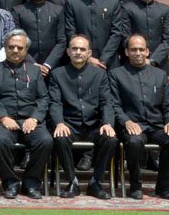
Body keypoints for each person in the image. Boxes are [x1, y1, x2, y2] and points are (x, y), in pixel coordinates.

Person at [110, 34, 169, 200]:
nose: (138, 53)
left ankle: (163, 187)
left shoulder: (160, 75)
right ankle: (135, 186)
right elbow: (114, 104)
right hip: (132, 125)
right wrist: (126, 121)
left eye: (141, 49)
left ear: (147, 51)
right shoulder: (116, 74)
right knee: (134, 141)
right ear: (127, 52)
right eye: (133, 49)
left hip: (157, 125)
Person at [0, 29, 53, 200]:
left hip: (30, 120)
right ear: (5, 47)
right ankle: (11, 183)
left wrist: (35, 118)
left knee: (45, 141)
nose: (15, 50)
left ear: (26, 50)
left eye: (19, 48)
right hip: (3, 121)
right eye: (11, 47)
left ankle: (31, 183)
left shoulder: (35, 70)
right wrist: (3, 117)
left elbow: (44, 98)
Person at [48, 35, 118, 200]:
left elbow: (107, 102)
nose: (78, 52)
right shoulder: (57, 74)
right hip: (69, 124)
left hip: (94, 125)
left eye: (82, 49)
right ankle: (73, 182)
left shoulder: (100, 75)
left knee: (111, 139)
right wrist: (59, 123)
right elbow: (55, 102)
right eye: (74, 48)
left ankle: (96, 182)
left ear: (89, 53)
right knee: (59, 137)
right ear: (68, 51)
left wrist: (108, 123)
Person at [64, 0, 123, 69]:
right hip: (82, 61)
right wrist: (88, 57)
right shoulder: (72, 3)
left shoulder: (113, 2)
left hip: (109, 62)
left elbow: (116, 33)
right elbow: (70, 32)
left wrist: (103, 59)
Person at [11, 0, 66, 77]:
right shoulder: (18, 11)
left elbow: (62, 41)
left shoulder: (57, 10)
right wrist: (33, 64)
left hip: (52, 67)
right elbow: (16, 41)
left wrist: (47, 65)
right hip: (25, 66)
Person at [122, 0, 169, 75]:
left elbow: (168, 40)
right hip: (133, 63)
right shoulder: (127, 8)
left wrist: (153, 60)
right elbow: (125, 37)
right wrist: (139, 57)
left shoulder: (165, 9)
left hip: (160, 64)